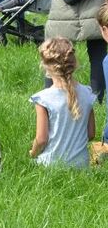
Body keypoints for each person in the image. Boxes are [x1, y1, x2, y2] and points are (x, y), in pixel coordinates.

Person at [29, 38, 95, 168]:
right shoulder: (87, 93)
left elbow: (41, 139)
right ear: (74, 63)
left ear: (46, 66)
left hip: (50, 165)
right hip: (81, 165)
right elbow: (91, 134)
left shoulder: (43, 99)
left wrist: (32, 153)